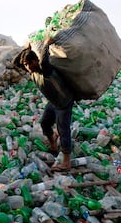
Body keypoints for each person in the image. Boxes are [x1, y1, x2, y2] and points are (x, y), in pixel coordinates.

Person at [13, 38, 75, 171]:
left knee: (63, 129)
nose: (27, 67)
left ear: (35, 61)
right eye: (25, 64)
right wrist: (26, 49)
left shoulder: (44, 69)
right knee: (45, 123)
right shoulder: (32, 72)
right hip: (53, 102)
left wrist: (47, 43)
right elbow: (15, 63)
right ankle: (53, 145)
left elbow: (44, 57)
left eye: (29, 63)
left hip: (64, 102)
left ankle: (66, 161)